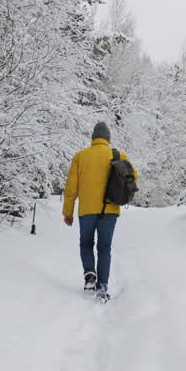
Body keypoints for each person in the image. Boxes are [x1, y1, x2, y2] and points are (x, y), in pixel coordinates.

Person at [62, 121, 137, 298]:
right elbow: (134, 176)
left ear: (93, 138)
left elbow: (71, 187)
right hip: (110, 209)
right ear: (108, 139)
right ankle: (102, 286)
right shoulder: (119, 155)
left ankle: (89, 274)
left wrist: (68, 211)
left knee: (86, 243)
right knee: (104, 248)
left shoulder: (81, 156)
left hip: (86, 210)